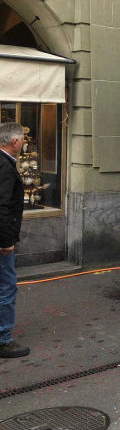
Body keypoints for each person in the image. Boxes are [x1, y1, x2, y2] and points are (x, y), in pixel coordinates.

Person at [0, 122, 28, 358]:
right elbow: (3, 206)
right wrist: (6, 240)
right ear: (15, 142)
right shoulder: (5, 167)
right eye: (22, 139)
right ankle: (3, 339)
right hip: (1, 241)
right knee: (6, 287)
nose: (23, 143)